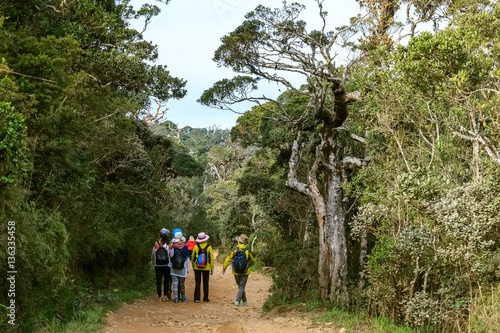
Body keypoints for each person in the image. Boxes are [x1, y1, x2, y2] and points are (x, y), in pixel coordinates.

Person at [222, 234, 255, 306]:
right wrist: (249, 266)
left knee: (240, 286)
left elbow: (228, 259)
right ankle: (244, 301)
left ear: (239, 242)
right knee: (242, 286)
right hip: (245, 271)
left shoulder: (234, 249)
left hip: (236, 271)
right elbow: (253, 260)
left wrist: (224, 268)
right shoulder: (247, 250)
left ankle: (238, 300)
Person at [191, 232, 214, 303]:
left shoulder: (196, 247)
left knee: (197, 282)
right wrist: (212, 268)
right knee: (205, 283)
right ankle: (205, 298)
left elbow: (192, 257)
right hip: (206, 268)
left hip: (197, 267)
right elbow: (211, 258)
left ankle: (197, 298)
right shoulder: (209, 247)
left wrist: (193, 265)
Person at [151, 228, 172, 301]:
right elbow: (171, 254)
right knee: (166, 280)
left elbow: (154, 254)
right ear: (166, 234)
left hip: (158, 265)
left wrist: (154, 262)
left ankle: (159, 296)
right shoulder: (169, 242)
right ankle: (165, 296)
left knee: (158, 280)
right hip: (167, 264)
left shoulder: (157, 242)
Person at [169, 231, 190, 303]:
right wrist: (188, 268)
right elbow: (187, 259)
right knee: (182, 283)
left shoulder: (172, 247)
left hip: (173, 268)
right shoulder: (185, 247)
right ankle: (183, 297)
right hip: (182, 268)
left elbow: (170, 256)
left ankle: (176, 298)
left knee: (175, 284)